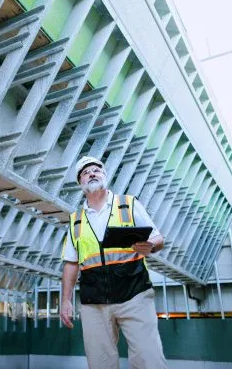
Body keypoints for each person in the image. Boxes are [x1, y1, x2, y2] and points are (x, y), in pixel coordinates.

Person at [60, 156, 168, 369]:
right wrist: (65, 300)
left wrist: (151, 246)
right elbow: (71, 263)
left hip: (134, 295)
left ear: (105, 176)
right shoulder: (75, 220)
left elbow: (158, 238)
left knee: (150, 360)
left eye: (96, 170)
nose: (91, 173)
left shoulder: (127, 204)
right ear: (80, 183)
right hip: (94, 302)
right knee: (100, 364)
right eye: (85, 172)